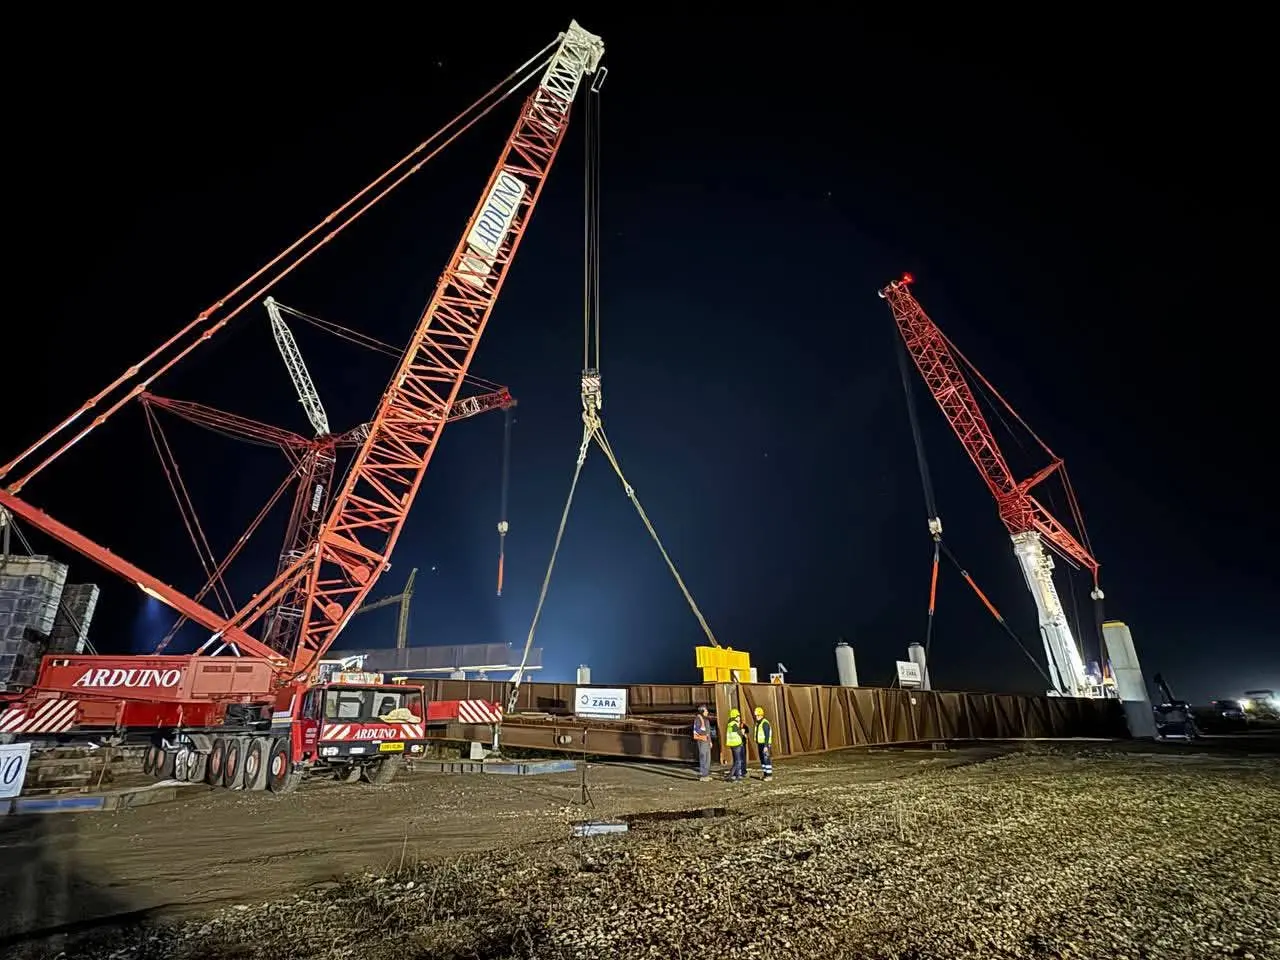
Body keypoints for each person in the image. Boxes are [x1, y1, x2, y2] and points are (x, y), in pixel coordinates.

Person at [725, 707, 747, 782]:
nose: (739, 718)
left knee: (736, 761)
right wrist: (742, 732)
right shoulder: (734, 724)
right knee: (738, 761)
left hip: (732, 744)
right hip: (736, 744)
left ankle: (734, 775)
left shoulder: (730, 723)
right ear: (735, 716)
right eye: (738, 716)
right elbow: (740, 733)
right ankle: (734, 776)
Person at [692, 705, 713, 781]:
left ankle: (706, 774)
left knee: (708, 758)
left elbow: (708, 732)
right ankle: (703, 775)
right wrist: (704, 734)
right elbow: (697, 730)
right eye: (706, 710)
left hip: (706, 740)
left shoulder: (706, 719)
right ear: (702, 711)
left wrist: (710, 741)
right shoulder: (698, 719)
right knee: (703, 757)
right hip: (702, 740)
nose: (707, 712)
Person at [753, 705, 774, 781]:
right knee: (762, 760)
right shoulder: (758, 723)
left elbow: (767, 735)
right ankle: (765, 774)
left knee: (766, 759)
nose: (757, 717)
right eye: (756, 716)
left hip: (765, 744)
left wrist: (766, 746)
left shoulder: (764, 723)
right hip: (760, 744)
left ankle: (769, 775)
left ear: (761, 715)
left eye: (758, 715)